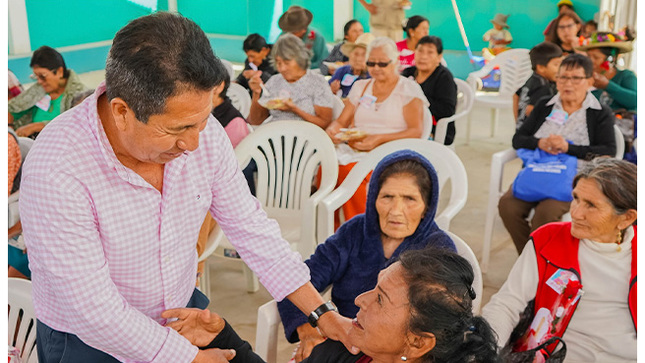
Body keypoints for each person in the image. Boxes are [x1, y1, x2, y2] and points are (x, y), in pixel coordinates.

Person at [20, 12, 353, 363]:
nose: (194, 144)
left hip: (181, 314)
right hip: (88, 342)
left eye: (203, 120)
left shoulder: (201, 134)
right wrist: (187, 358)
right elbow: (92, 308)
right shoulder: (57, 165)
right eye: (177, 129)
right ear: (122, 111)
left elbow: (251, 228)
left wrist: (320, 312)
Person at [164, 247, 501, 363]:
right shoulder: (342, 352)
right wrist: (223, 339)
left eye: (380, 300)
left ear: (417, 342)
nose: (359, 300)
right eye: (374, 288)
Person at [277, 150, 456, 362]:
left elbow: (438, 325)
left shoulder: (438, 248)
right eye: (387, 197)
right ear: (373, 199)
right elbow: (300, 277)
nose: (396, 211)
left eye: (409, 199)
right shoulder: (354, 232)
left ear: (427, 207)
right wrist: (307, 329)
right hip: (339, 339)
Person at [484, 157, 636, 362]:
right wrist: (486, 352)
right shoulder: (547, 240)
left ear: (627, 218)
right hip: (559, 355)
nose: (576, 212)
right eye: (576, 198)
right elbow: (506, 304)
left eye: (591, 205)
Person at [499, 54, 616, 253]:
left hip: (574, 181)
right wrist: (540, 142)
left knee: (545, 214)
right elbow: (518, 139)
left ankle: (538, 263)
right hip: (537, 173)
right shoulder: (545, 105)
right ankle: (530, 258)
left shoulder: (599, 112)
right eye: (562, 77)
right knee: (508, 206)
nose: (568, 84)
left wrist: (568, 148)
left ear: (589, 81)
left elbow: (608, 151)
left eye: (575, 78)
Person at [325, 37, 428, 224]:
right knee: (326, 169)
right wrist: (333, 130)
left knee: (349, 172)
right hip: (356, 148)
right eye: (371, 63)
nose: (376, 68)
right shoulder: (361, 87)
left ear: (395, 62)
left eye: (382, 63)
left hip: (392, 150)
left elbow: (416, 131)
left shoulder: (407, 89)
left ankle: (360, 229)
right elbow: (341, 121)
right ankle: (333, 230)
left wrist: (378, 139)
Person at [248, 34, 335, 127]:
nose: (282, 68)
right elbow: (255, 121)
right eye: (278, 62)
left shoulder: (317, 82)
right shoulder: (274, 81)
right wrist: (256, 93)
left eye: (286, 62)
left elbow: (324, 123)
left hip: (306, 136)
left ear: (300, 59)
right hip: (275, 134)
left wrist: (295, 110)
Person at [8, 46, 89, 138]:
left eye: (42, 76)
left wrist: (39, 126)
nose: (39, 81)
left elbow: (78, 124)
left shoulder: (79, 95)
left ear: (59, 72)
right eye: (36, 77)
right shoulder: (39, 89)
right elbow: (12, 107)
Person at [401, 36, 457, 145]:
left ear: (439, 57)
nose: (423, 56)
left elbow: (447, 110)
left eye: (430, 52)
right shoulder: (408, 73)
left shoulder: (444, 77)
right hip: (405, 125)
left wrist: (418, 102)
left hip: (435, 130)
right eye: (420, 51)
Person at [576, 29, 637, 112]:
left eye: (596, 57)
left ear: (611, 59)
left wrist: (607, 86)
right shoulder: (583, 77)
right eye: (588, 56)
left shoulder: (626, 76)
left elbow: (635, 101)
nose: (590, 61)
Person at [513, 42, 563, 130]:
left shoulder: (532, 79)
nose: (560, 68)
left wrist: (518, 121)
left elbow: (516, 95)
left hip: (522, 128)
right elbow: (530, 110)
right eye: (556, 64)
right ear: (541, 68)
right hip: (533, 133)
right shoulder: (543, 87)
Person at [329, 33, 374, 98]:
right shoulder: (342, 71)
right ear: (350, 54)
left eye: (363, 55)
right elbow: (325, 92)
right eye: (356, 54)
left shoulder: (372, 76)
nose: (358, 59)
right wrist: (332, 90)